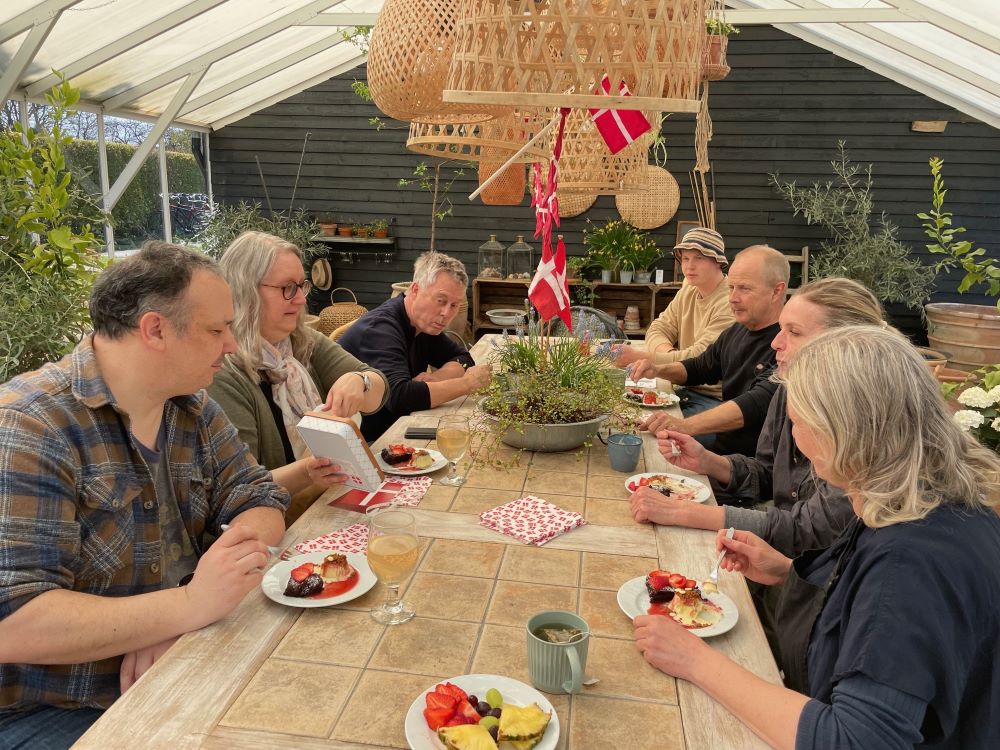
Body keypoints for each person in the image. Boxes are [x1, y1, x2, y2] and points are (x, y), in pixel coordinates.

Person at [633, 326, 1000, 749]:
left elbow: (853, 739)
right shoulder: (922, 499)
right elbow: (870, 619)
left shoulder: (911, 559)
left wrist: (696, 661)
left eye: (798, 418)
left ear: (840, 431)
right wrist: (788, 573)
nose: (792, 432)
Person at [0, 242, 290, 748]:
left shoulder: (191, 408)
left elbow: (258, 495)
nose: (231, 346)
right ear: (155, 329)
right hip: (56, 708)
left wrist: (189, 606)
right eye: (217, 330)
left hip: (187, 653)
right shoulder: (29, 426)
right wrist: (185, 607)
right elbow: (16, 621)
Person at [631, 278, 885, 556]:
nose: (776, 342)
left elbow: (810, 529)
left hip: (814, 571)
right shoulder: (787, 388)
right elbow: (767, 473)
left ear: (846, 343)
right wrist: (707, 461)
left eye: (794, 332)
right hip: (778, 549)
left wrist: (685, 513)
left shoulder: (868, 421)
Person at [207, 231, 388, 522]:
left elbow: (380, 387)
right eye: (287, 288)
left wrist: (359, 381)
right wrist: (308, 470)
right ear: (246, 292)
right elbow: (239, 486)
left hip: (325, 503)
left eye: (301, 286)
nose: (301, 298)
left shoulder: (302, 341)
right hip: (278, 525)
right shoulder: (224, 373)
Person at [629, 245, 788, 459]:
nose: (733, 298)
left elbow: (756, 403)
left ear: (777, 291)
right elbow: (700, 367)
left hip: (751, 465)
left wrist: (684, 425)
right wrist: (657, 369)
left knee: (650, 449)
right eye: (731, 287)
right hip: (721, 453)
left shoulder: (787, 344)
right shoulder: (738, 329)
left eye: (744, 289)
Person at [339, 251, 491, 442]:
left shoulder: (424, 324)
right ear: (416, 290)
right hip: (366, 442)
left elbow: (463, 358)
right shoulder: (380, 329)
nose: (446, 313)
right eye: (440, 301)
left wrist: (435, 379)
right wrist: (467, 384)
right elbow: (400, 398)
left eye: (454, 305)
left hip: (401, 428)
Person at [613, 227, 734, 410]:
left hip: (712, 399)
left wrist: (643, 357)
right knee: (622, 408)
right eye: (685, 258)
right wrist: (670, 356)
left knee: (651, 426)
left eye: (698, 258)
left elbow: (700, 360)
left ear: (718, 262)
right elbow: (658, 328)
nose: (689, 266)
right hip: (680, 385)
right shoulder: (689, 289)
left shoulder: (729, 302)